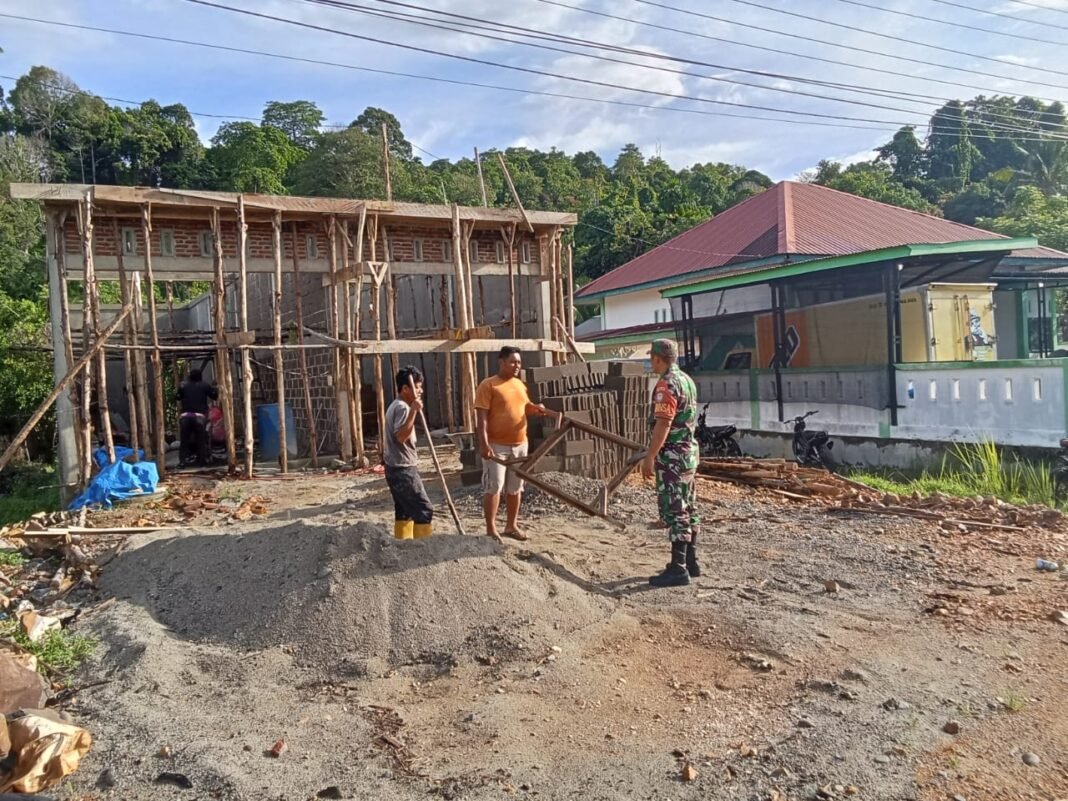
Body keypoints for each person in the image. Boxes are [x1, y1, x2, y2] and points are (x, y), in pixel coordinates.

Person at [475, 346, 557, 542]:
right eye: (512, 362)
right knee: (494, 486)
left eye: (519, 362)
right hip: (497, 446)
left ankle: (511, 525)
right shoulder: (489, 385)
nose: (516, 366)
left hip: (520, 444)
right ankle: (491, 528)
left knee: (515, 487)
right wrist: (484, 444)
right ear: (501, 362)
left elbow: (524, 407)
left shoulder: (519, 385)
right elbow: (482, 418)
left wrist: (536, 409)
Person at [641, 339, 701, 587]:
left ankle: (678, 568)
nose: (651, 362)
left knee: (675, 510)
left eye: (652, 358)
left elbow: (663, 423)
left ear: (658, 358)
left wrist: (650, 456)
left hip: (673, 457)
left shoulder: (666, 385)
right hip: (689, 453)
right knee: (690, 507)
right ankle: (691, 561)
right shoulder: (687, 380)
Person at [384, 366, 434, 540]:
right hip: (403, 469)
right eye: (417, 387)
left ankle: (403, 546)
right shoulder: (402, 408)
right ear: (406, 389)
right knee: (424, 510)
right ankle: (423, 551)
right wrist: (413, 409)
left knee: (404, 510)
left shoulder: (395, 405)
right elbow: (401, 436)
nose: (420, 391)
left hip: (395, 467)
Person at [178, 368, 218, 467]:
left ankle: (183, 461)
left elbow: (178, 397)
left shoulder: (183, 385)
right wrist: (216, 388)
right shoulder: (204, 385)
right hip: (199, 417)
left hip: (185, 417)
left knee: (184, 440)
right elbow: (214, 396)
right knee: (201, 439)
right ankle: (202, 460)